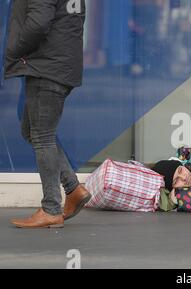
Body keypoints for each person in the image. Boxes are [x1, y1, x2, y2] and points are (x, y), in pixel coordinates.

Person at [4, 0, 91, 228]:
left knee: (42, 136)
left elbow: (38, 24)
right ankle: (73, 188)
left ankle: (51, 208)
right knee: (31, 129)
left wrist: (13, 50)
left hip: (47, 67)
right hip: (59, 64)